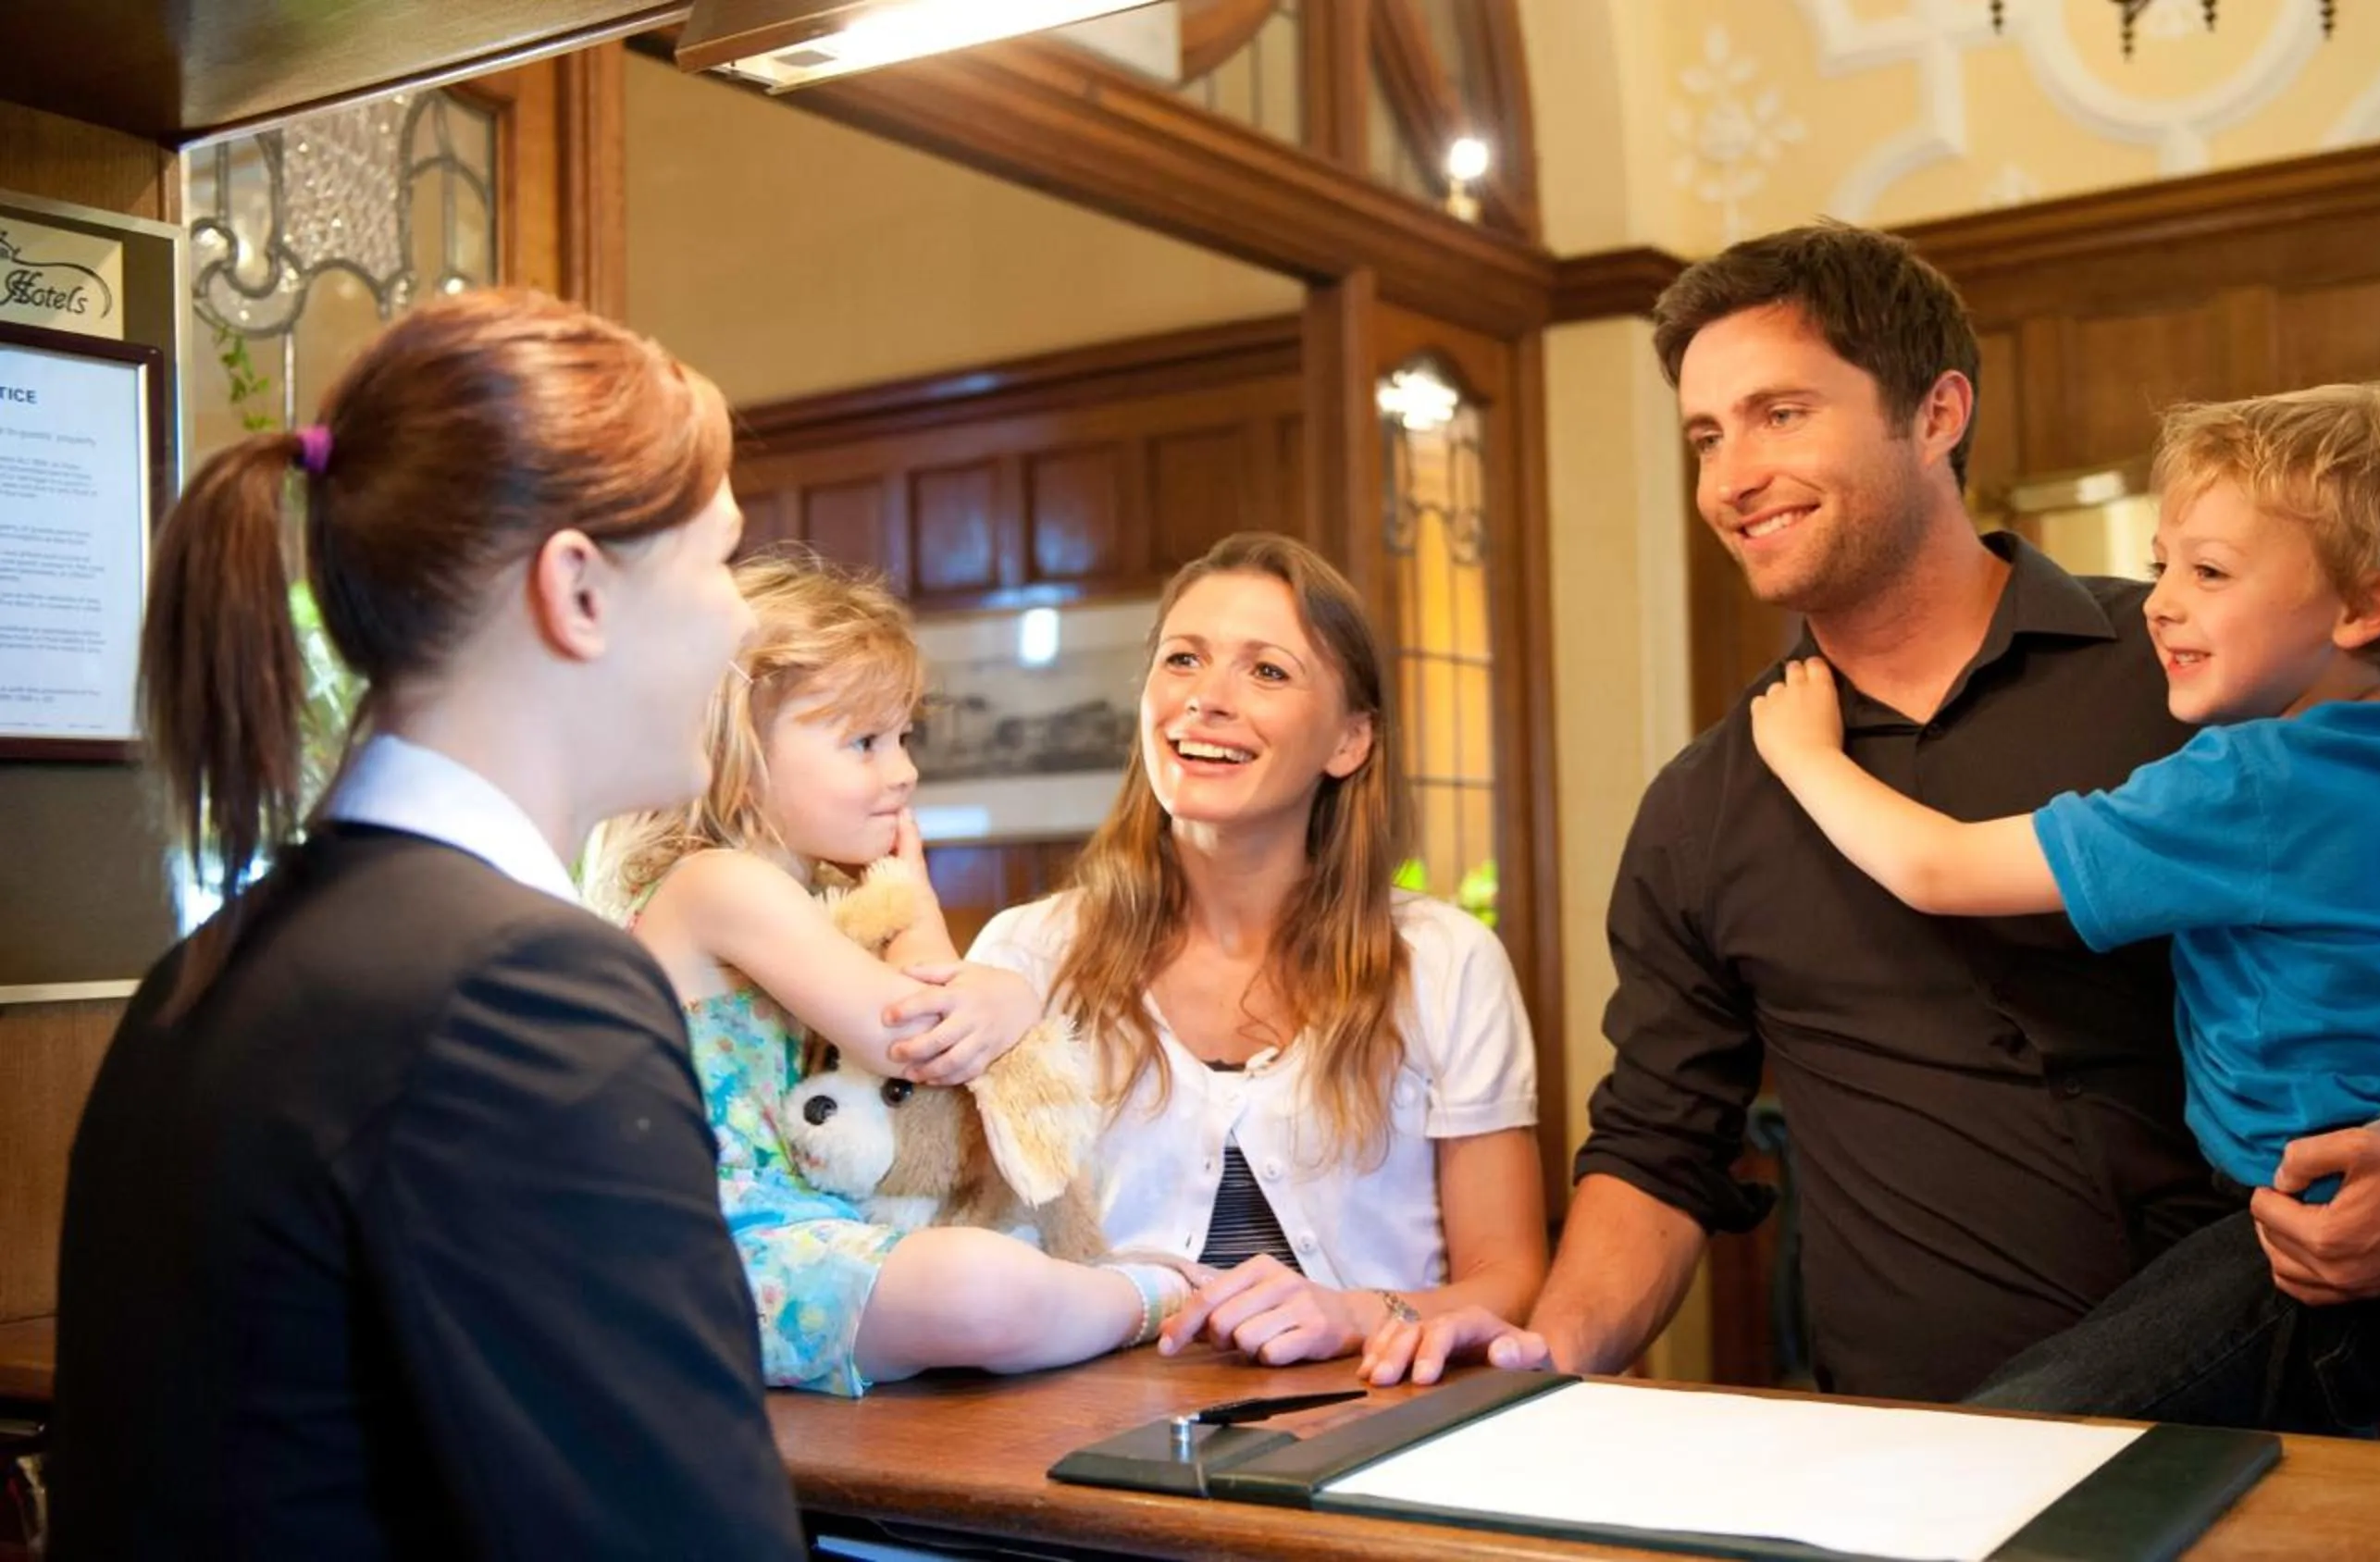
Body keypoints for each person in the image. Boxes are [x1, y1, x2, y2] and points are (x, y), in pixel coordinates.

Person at [1366, 222, 2380, 1412]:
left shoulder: (2213, 667)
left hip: (2264, 1411)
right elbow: (1657, 1150)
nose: (1733, 476)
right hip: (1910, 1461)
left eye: (1780, 414)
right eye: (1705, 436)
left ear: (1937, 413)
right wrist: (1542, 1358)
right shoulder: (1710, 805)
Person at [52, 289, 800, 1556]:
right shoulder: (528, 990)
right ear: (578, 591)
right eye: (720, 556)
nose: (744, 617)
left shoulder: (204, 975)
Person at [1744, 381, 2380, 1429]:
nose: (2162, 603)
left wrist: (1804, 755)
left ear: (2363, 607)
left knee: (2032, 1442)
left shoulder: (2248, 784)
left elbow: (1941, 869)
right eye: (2159, 563)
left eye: (2209, 572)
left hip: (2333, 1235)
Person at [598, 552, 1202, 1395]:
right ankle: (1153, 1295)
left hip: (794, 1233)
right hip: (711, 1255)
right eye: (864, 742)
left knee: (992, 1259)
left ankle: (1109, 1289)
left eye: (903, 737)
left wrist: (981, 988)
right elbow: (916, 1037)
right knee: (973, 1285)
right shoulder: (720, 884)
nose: (904, 772)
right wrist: (962, 945)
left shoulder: (806, 896)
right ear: (740, 752)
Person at [950, 532, 1550, 1367]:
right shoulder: (1028, 954)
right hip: (1082, 1434)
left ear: (1350, 741)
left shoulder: (1447, 961)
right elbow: (955, 1227)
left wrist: (1355, 1314)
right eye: (1183, 660)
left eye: (1266, 671)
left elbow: (1508, 1276)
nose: (1206, 700)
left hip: (1368, 1432)